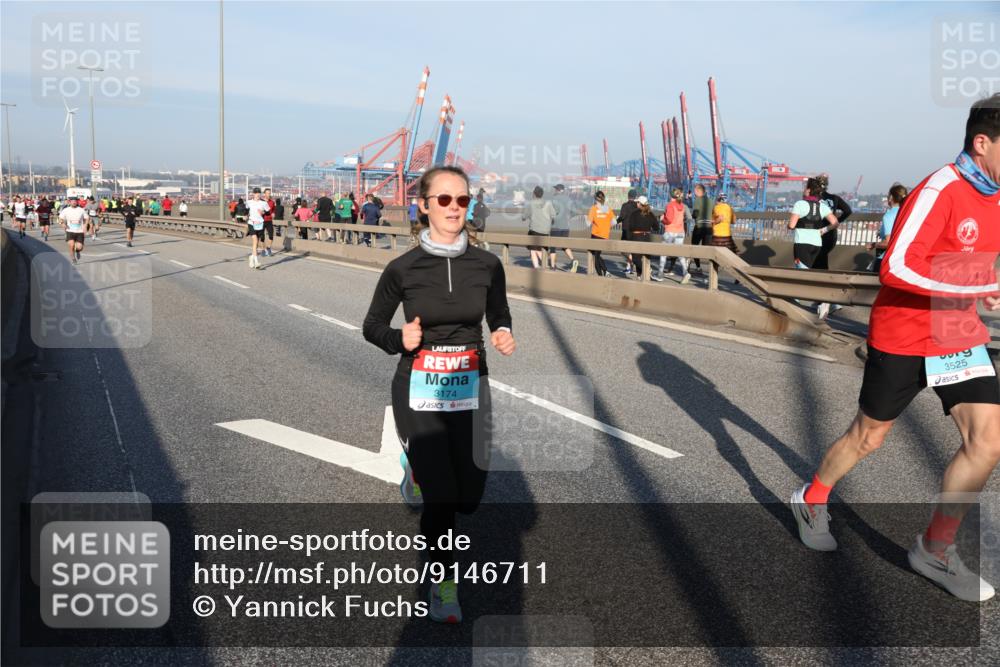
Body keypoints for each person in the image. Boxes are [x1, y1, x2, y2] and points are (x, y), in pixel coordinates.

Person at [790, 94, 1000, 603]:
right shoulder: (940, 188)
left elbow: (969, 260)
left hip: (956, 333)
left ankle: (934, 549)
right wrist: (972, 286)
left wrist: (983, 286)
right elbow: (896, 267)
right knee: (868, 437)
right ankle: (812, 498)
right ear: (982, 143)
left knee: (988, 442)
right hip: (904, 333)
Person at [362, 165, 515, 624]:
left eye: (462, 200)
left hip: (470, 387)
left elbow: (498, 311)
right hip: (419, 389)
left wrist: (503, 330)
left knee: (469, 499)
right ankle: (443, 585)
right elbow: (372, 325)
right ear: (424, 206)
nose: (454, 208)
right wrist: (399, 339)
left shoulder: (487, 265)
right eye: (444, 200)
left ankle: (415, 469)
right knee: (443, 499)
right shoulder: (403, 268)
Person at [787, 177, 841, 319]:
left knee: (802, 276)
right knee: (811, 274)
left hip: (802, 244)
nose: (803, 190)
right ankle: (826, 301)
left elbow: (791, 225)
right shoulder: (822, 206)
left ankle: (800, 306)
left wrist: (789, 225)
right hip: (817, 244)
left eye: (805, 187)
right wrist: (823, 230)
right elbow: (835, 222)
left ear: (809, 190)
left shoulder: (800, 204)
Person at [813, 174, 852, 270]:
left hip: (816, 232)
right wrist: (836, 221)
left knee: (816, 258)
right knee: (823, 256)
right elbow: (848, 211)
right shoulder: (834, 198)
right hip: (831, 233)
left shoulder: (813, 198)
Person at [869, 183, 908, 274]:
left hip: (887, 260)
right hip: (904, 260)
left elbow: (888, 243)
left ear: (891, 198)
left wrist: (873, 245)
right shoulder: (908, 212)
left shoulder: (889, 216)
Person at [657, 188, 692, 284]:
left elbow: (669, 219)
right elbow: (687, 218)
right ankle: (685, 272)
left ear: (670, 195)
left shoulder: (670, 205)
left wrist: (662, 219)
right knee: (680, 253)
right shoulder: (682, 206)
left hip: (670, 231)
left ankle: (660, 273)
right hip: (680, 232)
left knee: (663, 252)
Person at [521, 185, 556, 269]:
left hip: (534, 230)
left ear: (534, 194)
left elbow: (524, 217)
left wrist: (527, 217)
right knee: (542, 248)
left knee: (533, 249)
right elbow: (553, 215)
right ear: (542, 194)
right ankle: (546, 263)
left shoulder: (531, 203)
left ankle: (538, 266)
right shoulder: (548, 203)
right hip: (546, 230)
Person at [626, 195, 659, 279]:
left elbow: (630, 227)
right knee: (645, 258)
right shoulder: (650, 214)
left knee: (636, 259)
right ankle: (639, 276)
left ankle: (647, 270)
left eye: (637, 202)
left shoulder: (634, 213)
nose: (636, 203)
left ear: (640, 203)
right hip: (647, 237)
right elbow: (656, 227)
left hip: (637, 237)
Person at [586, 190, 615, 277]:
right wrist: (606, 226)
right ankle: (604, 272)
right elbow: (614, 222)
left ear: (595, 199)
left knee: (596, 256)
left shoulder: (593, 208)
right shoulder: (607, 208)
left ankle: (603, 273)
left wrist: (586, 219)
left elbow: (588, 224)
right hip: (605, 235)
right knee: (597, 254)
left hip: (596, 234)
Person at [549, 184, 577, 272]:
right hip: (565, 226)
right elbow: (575, 212)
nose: (554, 190)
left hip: (555, 226)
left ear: (558, 190)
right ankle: (573, 260)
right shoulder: (569, 199)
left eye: (555, 189)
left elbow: (551, 212)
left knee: (552, 247)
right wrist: (569, 217)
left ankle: (553, 266)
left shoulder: (554, 199)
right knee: (564, 245)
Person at [689, 184, 715, 273]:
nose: (694, 193)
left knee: (694, 247)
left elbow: (695, 213)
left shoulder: (698, 200)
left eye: (695, 191)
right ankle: (712, 269)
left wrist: (692, 216)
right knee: (707, 249)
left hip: (699, 227)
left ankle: (698, 267)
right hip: (709, 228)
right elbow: (713, 213)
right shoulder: (711, 201)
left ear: (698, 191)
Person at [245, 188, 270, 269]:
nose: (257, 194)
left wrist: (263, 212)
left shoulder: (263, 203)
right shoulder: (249, 202)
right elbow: (246, 210)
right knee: (255, 240)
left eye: (259, 193)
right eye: (256, 193)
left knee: (256, 244)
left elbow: (268, 212)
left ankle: (251, 257)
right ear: (253, 194)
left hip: (260, 224)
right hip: (251, 223)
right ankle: (256, 262)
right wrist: (246, 216)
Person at [59, 197, 88, 264]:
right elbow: (60, 218)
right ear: (70, 202)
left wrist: (85, 225)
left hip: (79, 231)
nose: (74, 202)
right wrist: (62, 224)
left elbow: (86, 218)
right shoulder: (66, 210)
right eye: (72, 201)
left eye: (75, 201)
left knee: (80, 247)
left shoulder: (81, 210)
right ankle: (73, 258)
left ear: (77, 202)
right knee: (71, 245)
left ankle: (77, 251)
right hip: (70, 231)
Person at [617, 189, 639, 275]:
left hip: (626, 230)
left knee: (622, 249)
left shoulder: (625, 205)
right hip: (635, 230)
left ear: (628, 196)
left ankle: (631, 263)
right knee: (631, 249)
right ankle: (629, 267)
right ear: (635, 197)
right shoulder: (637, 206)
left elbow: (622, 216)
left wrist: (616, 222)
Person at [261, 188, 277, 256]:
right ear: (264, 194)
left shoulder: (272, 202)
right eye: (267, 193)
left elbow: (273, 210)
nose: (269, 194)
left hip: (269, 221)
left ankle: (268, 247)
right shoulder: (260, 201)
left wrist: (273, 213)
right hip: (261, 221)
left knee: (271, 235)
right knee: (262, 236)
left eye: (269, 193)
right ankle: (263, 250)